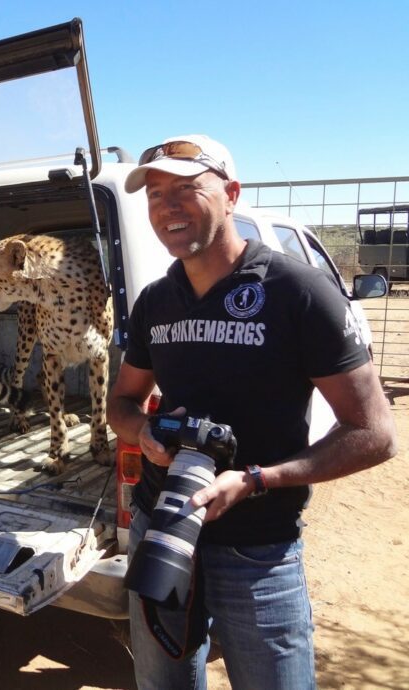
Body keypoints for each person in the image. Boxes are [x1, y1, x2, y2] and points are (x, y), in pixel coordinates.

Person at [107, 134, 397, 690]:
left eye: (187, 189)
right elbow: (120, 403)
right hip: (161, 526)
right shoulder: (155, 302)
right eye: (155, 194)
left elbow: (376, 433)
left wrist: (258, 480)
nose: (166, 206)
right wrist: (144, 430)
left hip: (257, 548)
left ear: (232, 194)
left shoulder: (299, 292)